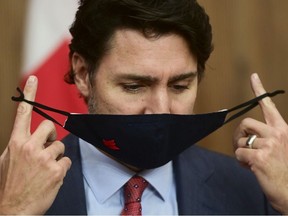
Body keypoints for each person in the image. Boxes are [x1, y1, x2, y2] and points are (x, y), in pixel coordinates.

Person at [1, 0, 288, 214]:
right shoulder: (12, 193)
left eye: (180, 86)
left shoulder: (254, 191)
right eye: (134, 86)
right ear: (82, 74)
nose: (160, 109)